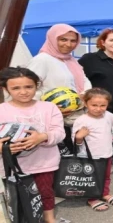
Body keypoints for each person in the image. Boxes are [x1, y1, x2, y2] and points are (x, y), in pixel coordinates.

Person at [0, 67, 66, 223]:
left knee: (45, 191)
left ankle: (49, 218)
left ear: (36, 86)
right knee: (17, 194)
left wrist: (42, 137)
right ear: (5, 88)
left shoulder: (48, 107)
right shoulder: (1, 110)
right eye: (16, 88)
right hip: (12, 166)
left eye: (28, 86)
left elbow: (59, 132)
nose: (23, 92)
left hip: (44, 162)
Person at [26, 23, 92, 155]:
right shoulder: (42, 60)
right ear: (52, 39)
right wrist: (52, 105)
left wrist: (84, 94)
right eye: (63, 39)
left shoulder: (70, 59)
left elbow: (83, 79)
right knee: (61, 155)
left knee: (75, 152)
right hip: (54, 117)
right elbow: (28, 88)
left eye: (73, 40)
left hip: (75, 114)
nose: (68, 44)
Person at [78, 28, 113, 170]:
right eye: (112, 40)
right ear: (103, 42)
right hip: (101, 105)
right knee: (101, 132)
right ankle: (101, 160)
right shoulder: (89, 59)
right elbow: (79, 78)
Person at [73, 88, 113, 212]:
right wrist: (79, 137)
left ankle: (105, 193)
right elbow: (76, 142)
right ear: (86, 103)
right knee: (91, 179)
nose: (98, 108)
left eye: (103, 105)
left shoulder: (107, 115)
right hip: (90, 156)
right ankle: (92, 198)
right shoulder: (81, 120)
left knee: (106, 176)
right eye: (94, 105)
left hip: (107, 153)